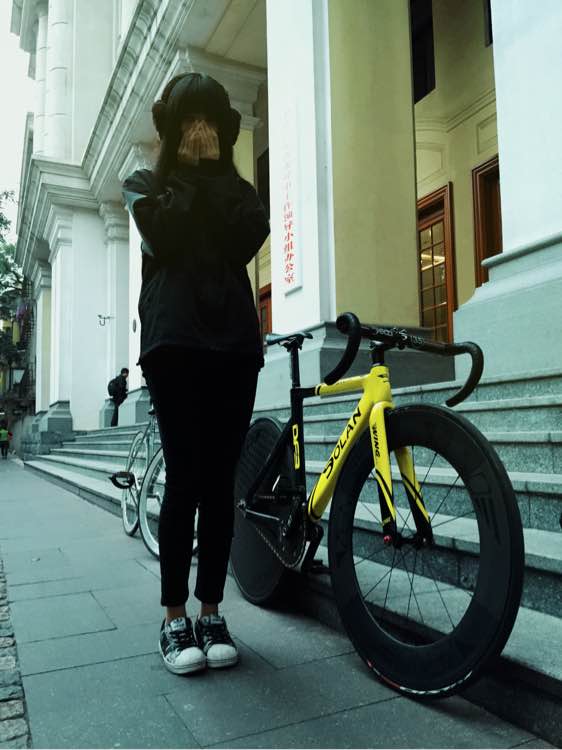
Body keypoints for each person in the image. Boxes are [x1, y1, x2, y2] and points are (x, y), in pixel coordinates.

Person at [122, 73, 269, 676]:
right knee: (185, 478)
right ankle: (173, 615)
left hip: (233, 345)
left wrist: (212, 176)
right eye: (190, 120)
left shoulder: (237, 191)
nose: (200, 132)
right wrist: (189, 174)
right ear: (171, 131)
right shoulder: (143, 186)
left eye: (209, 121)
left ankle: (212, 610)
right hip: (174, 344)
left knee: (219, 482)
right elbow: (165, 236)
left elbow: (247, 237)